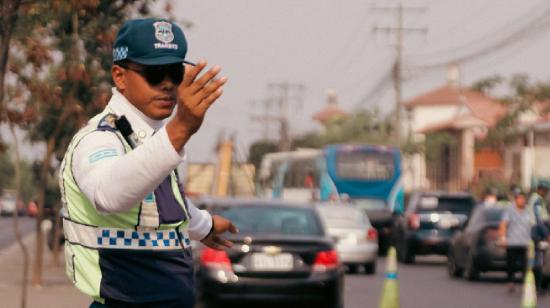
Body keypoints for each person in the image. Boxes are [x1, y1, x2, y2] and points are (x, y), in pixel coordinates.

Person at [59, 18, 237, 307]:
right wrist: (180, 128)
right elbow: (109, 195)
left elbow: (162, 204)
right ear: (119, 76)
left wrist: (204, 225)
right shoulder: (98, 139)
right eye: (155, 74)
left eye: (174, 73)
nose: (168, 85)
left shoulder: (150, 143)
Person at [498, 191, 531, 293]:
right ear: (516, 199)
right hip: (512, 242)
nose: (522, 201)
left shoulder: (528, 211)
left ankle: (525, 283)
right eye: (520, 199)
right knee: (511, 264)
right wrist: (503, 238)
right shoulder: (510, 210)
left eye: (523, 199)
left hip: (525, 243)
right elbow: (503, 224)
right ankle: (511, 281)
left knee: (525, 265)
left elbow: (533, 224)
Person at [527, 182, 550, 293]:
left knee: (539, 259)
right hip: (538, 232)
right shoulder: (537, 201)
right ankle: (538, 286)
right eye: (546, 190)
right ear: (542, 190)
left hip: (538, 231)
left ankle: (539, 285)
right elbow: (539, 220)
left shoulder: (536, 199)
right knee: (539, 260)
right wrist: (546, 234)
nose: (547, 193)